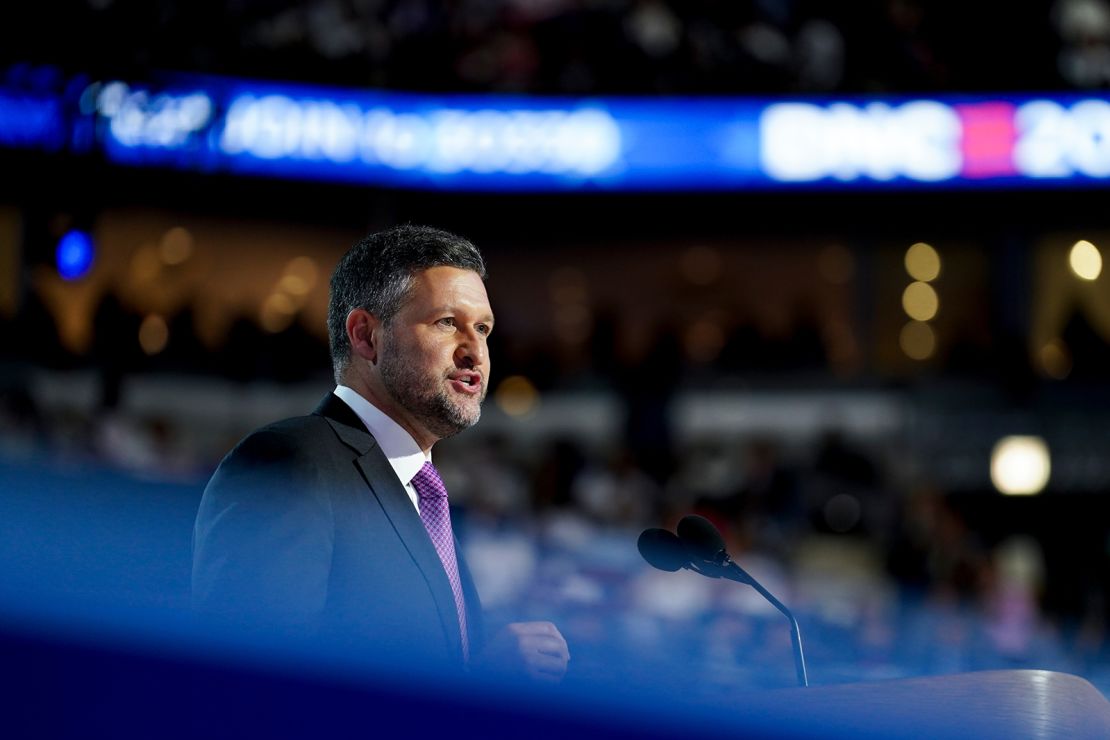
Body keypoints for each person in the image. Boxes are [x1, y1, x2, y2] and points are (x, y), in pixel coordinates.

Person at [192, 224, 569, 681]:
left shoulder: (423, 494)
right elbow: (251, 693)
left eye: (483, 329)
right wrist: (476, 681)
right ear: (366, 336)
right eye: (447, 323)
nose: (476, 352)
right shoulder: (292, 461)